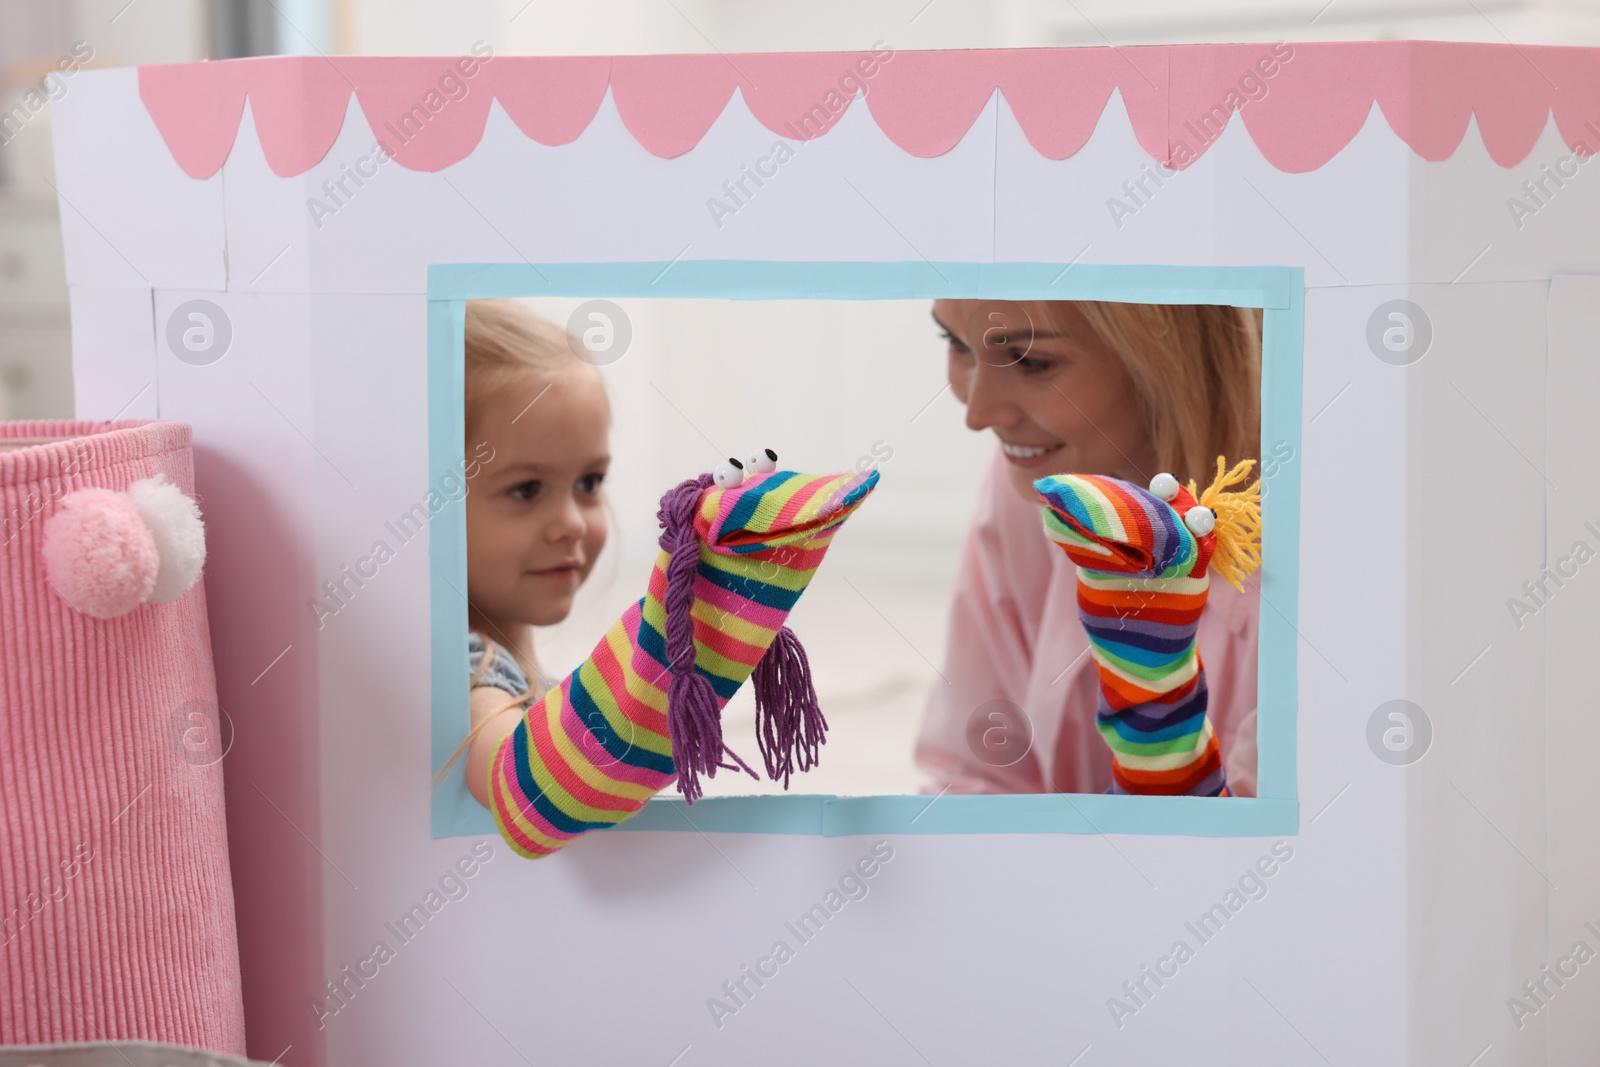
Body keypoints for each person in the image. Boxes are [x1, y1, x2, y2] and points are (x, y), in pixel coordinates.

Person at [913, 299, 1263, 796]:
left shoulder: (1327, 554)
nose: (977, 413)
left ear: (1172, 354)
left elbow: (1267, 856)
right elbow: (976, 777)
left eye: (1032, 362)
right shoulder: (1040, 484)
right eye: (955, 343)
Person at [434, 299, 612, 808]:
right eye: (526, 489)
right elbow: (524, 783)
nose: (572, 523)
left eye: (589, 481)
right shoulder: (471, 671)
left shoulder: (509, 669)